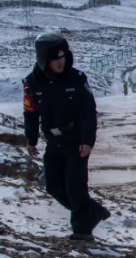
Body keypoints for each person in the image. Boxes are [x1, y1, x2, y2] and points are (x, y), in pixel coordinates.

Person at [23, 32, 110, 241]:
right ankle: (92, 211)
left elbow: (89, 111)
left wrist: (88, 141)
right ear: (44, 59)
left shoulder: (77, 79)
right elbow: (30, 112)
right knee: (53, 186)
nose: (61, 62)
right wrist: (31, 139)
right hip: (53, 141)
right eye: (55, 58)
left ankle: (82, 232)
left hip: (76, 140)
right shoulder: (31, 83)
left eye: (63, 57)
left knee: (75, 186)